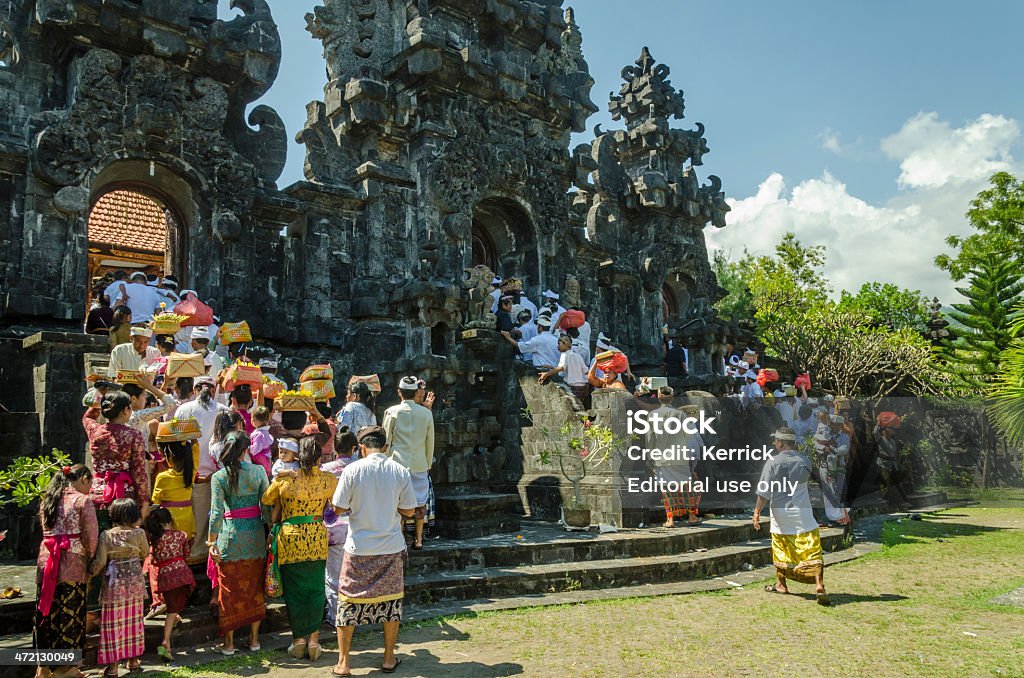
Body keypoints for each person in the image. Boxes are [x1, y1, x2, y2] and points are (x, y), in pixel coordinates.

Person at [332, 426, 417, 677]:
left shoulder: (351, 470)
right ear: (386, 447)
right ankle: (389, 658)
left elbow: (337, 508)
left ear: (362, 448)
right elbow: (410, 511)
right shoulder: (399, 471)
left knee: (347, 602)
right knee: (391, 602)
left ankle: (344, 662)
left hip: (359, 548)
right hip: (390, 547)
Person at [262, 424, 338, 661]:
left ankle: (298, 640)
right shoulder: (328, 480)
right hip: (316, 537)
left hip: (290, 539)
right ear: (318, 457)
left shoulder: (286, 481)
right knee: (316, 590)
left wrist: (281, 475)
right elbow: (335, 506)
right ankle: (314, 640)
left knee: (294, 593)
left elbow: (266, 498)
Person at [753, 427, 847, 606]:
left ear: (780, 443)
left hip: (780, 511)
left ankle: (781, 584)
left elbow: (764, 491)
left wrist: (757, 511)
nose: (774, 444)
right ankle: (819, 584)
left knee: (782, 546)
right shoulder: (804, 460)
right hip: (802, 510)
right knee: (811, 547)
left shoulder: (773, 462)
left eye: (776, 441)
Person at [34, 465, 97, 678]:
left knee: (46, 614)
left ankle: (42, 668)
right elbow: (91, 537)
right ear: (84, 479)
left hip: (47, 561)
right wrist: (91, 561)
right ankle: (65, 669)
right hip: (72, 563)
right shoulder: (82, 501)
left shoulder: (48, 499)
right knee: (69, 614)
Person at [208, 431, 269, 655]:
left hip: (229, 538)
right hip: (255, 536)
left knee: (229, 590)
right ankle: (254, 641)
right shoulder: (259, 471)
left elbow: (215, 513)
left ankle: (229, 644)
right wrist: (271, 531)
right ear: (246, 450)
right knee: (255, 587)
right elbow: (268, 508)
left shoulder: (219, 477)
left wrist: (211, 541)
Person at [90, 498, 148, 676]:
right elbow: (145, 553)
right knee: (134, 621)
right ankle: (133, 661)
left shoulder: (106, 535)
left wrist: (89, 574)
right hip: (135, 584)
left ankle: (113, 666)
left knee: (113, 624)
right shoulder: (139, 533)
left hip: (114, 585)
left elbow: (100, 562)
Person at [175, 376, 228, 562]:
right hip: (217, 475)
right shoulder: (224, 410)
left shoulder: (183, 410)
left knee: (192, 517)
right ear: (212, 391)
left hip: (189, 475)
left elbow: (177, 445)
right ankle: (208, 555)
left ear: (195, 390)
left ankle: (194, 555)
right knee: (213, 517)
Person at [381, 376, 435, 550]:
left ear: (399, 392)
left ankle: (400, 538)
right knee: (420, 504)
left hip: (396, 464)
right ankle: (418, 540)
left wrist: (384, 460)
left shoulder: (392, 412)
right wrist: (428, 462)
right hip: (419, 464)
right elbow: (430, 441)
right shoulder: (426, 413)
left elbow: (386, 440)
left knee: (397, 502)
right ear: (415, 392)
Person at [83, 393, 150, 528]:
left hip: (97, 492)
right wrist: (144, 500)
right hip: (124, 498)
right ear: (125, 410)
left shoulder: (95, 431)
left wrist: (100, 394)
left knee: (99, 540)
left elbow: (87, 417)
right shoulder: (133, 435)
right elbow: (139, 471)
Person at [144, 508, 195, 663]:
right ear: (170, 520)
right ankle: (166, 641)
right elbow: (186, 555)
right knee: (173, 609)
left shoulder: (155, 539)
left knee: (172, 605)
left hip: (164, 576)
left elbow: (153, 561)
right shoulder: (181, 535)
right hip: (180, 574)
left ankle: (172, 621)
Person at [320, 427, 358, 627]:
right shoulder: (360, 469)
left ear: (335, 448)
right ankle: (353, 615)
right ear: (354, 448)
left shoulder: (326, 470)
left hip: (332, 528)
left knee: (333, 576)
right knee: (353, 576)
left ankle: (336, 617)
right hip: (357, 528)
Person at [649, 389, 703, 527]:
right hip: (680, 456)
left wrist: (650, 455)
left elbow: (650, 439)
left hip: (661, 457)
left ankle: (670, 519)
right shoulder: (681, 415)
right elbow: (689, 436)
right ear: (672, 398)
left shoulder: (652, 415)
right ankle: (692, 516)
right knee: (686, 487)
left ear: (659, 398)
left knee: (667, 489)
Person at [151, 439, 196, 539]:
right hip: (187, 518)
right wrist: (193, 440)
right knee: (185, 547)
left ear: (169, 457)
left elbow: (155, 501)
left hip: (168, 520)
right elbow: (196, 452)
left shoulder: (162, 477)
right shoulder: (191, 474)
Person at [539, 335, 590, 403]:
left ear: (565, 344)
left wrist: (547, 374)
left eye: (559, 344)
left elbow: (561, 368)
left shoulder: (565, 355)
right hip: (581, 387)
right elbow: (586, 371)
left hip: (572, 387)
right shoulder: (577, 356)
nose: (558, 346)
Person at [249, 406, 274, 476]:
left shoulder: (259, 434)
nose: (251, 421)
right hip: (267, 458)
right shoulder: (265, 432)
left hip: (260, 458)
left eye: (252, 419)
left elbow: (255, 449)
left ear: (256, 420)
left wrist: (249, 448)